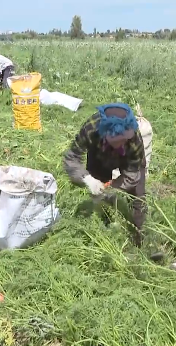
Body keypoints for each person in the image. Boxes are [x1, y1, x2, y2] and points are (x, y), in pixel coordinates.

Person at [63, 103, 148, 247]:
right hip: (99, 156)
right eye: (117, 140)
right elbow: (71, 157)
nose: (121, 143)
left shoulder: (133, 138)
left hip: (129, 161)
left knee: (138, 197)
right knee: (100, 196)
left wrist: (113, 186)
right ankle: (106, 231)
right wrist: (86, 178)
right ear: (105, 133)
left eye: (123, 139)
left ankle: (142, 239)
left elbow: (133, 174)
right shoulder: (91, 129)